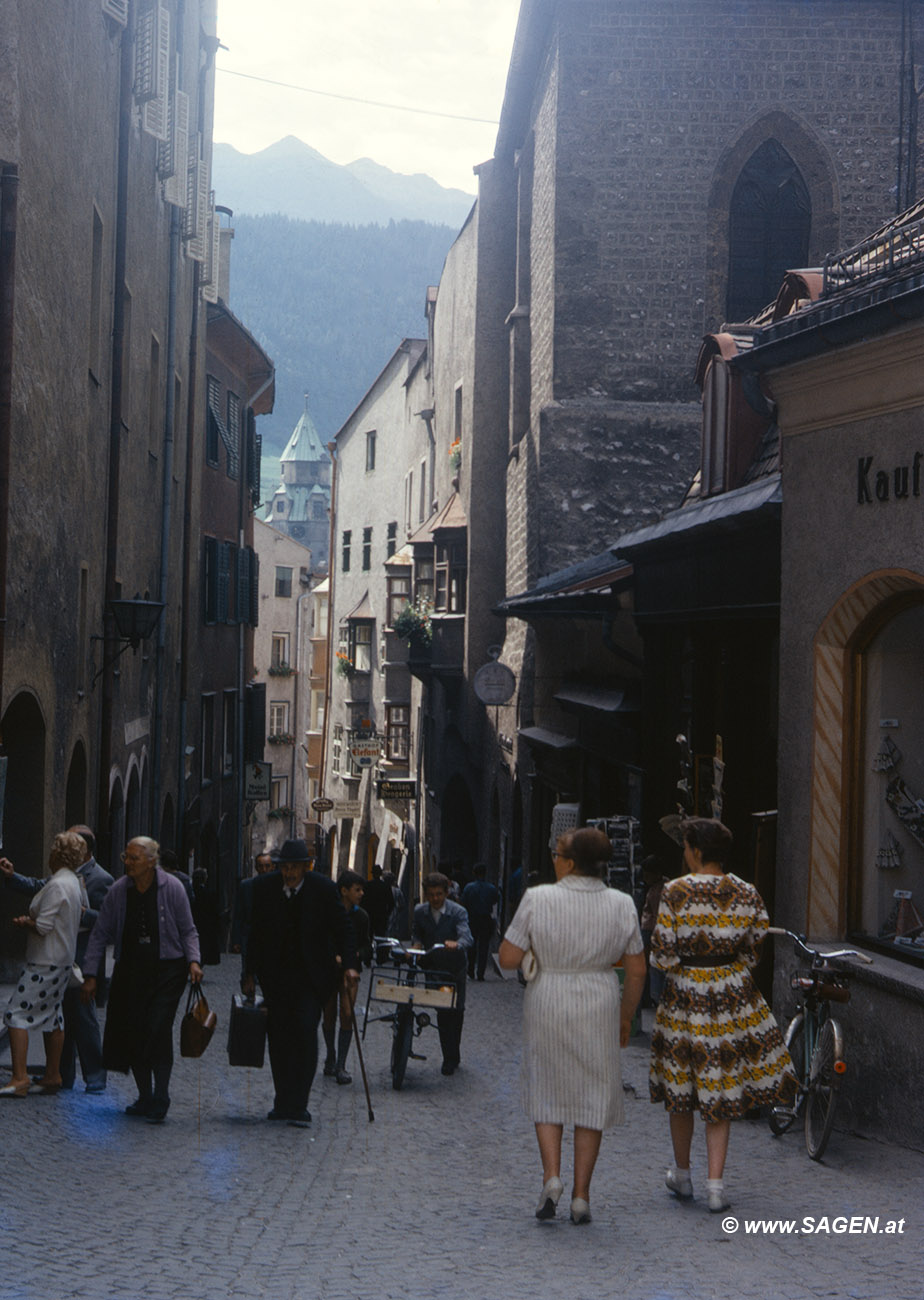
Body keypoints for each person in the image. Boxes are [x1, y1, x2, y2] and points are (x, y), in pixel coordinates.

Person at [648, 817, 797, 1213]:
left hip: (685, 995)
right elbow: (754, 948)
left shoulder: (675, 892)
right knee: (723, 1083)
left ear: (696, 850)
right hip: (731, 995)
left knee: (682, 1088)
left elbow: (662, 953)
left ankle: (683, 1174)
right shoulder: (747, 892)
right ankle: (716, 1185)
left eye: (685, 846)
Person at [498, 827, 646, 1225]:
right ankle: (582, 1195)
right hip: (599, 997)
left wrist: (535, 949)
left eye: (557, 853)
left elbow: (507, 958)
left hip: (550, 995)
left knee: (546, 1087)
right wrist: (627, 1017)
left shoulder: (538, 898)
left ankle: (552, 1177)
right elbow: (636, 970)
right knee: (593, 1096)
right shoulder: (622, 904)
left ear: (568, 862)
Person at [81, 836, 202, 1124]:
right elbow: (100, 933)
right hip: (131, 969)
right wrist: (90, 975)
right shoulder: (119, 891)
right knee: (133, 1031)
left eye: (134, 858)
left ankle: (161, 1097)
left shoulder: (172, 887)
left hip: (167, 970)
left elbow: (188, 930)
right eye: (126, 857)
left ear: (151, 860)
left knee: (157, 1029)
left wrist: (194, 961)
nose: (128, 863)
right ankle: (144, 1096)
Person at [242, 838, 358, 1127]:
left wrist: (350, 966)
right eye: (285, 868)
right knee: (279, 1039)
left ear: (306, 868)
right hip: (275, 977)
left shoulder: (322, 889)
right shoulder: (264, 889)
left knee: (305, 1032)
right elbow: (253, 934)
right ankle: (283, 1101)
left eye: (295, 868)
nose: (289, 873)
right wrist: (249, 974)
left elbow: (343, 928)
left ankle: (300, 1103)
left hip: (311, 978)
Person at [1, 823, 114, 1092]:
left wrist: (34, 921)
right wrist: (12, 876)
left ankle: (89, 1078)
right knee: (56, 1018)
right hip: (64, 958)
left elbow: (104, 923)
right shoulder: (71, 879)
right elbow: (39, 886)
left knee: (23, 1015)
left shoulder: (97, 879)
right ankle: (58, 1074)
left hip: (67, 959)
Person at [412, 871, 472, 1076]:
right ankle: (449, 1058)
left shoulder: (458, 912)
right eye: (431, 895)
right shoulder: (420, 912)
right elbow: (417, 932)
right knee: (443, 1011)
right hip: (434, 966)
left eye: (439, 894)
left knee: (457, 1011)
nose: (435, 899)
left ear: (446, 892)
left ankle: (454, 1054)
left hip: (455, 967)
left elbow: (466, 935)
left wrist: (457, 944)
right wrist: (417, 944)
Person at [322, 869, 372, 1085]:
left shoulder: (361, 917)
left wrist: (356, 955)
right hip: (329, 970)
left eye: (362, 890)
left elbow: (367, 945)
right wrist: (333, 955)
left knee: (347, 1012)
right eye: (357, 890)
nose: (361, 893)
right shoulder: (329, 913)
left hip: (352, 970)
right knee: (329, 1013)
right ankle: (331, 1055)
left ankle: (341, 1064)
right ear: (344, 891)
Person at [230, 849, 276, 958]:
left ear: (272, 867)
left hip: (271, 937)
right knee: (248, 969)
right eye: (261, 866)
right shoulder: (246, 886)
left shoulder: (279, 887)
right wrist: (236, 940)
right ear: (256, 868)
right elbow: (239, 914)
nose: (264, 870)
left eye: (267, 866)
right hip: (249, 936)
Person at [461, 862, 501, 981]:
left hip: (472, 918)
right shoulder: (492, 888)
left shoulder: (469, 887)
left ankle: (471, 970)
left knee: (472, 944)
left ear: (474, 873)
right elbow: (495, 902)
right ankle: (481, 973)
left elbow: (464, 902)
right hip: (485, 919)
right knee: (484, 946)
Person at [361, 862, 393, 938]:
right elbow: (391, 903)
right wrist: (387, 914)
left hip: (370, 916)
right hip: (381, 916)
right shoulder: (385, 886)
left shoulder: (367, 885)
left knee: (369, 936)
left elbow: (363, 901)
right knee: (381, 938)